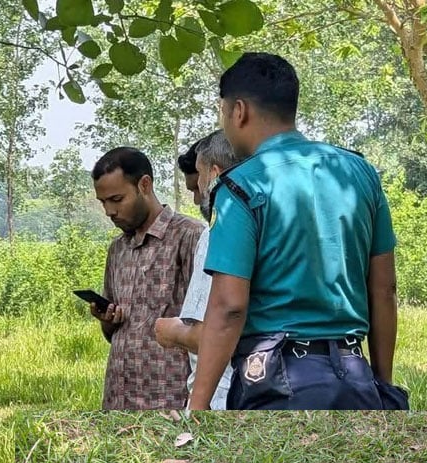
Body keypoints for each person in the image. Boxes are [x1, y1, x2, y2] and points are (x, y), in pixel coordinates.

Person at [191, 53, 406, 410]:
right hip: (354, 376)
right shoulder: (361, 173)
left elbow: (229, 306)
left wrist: (197, 407)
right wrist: (382, 386)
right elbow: (384, 289)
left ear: (238, 111)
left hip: (274, 382)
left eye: (222, 111)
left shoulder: (241, 186)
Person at [89, 147, 203, 410]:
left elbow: (209, 327)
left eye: (116, 199)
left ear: (144, 185)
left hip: (170, 400)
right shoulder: (118, 249)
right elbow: (114, 334)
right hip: (118, 399)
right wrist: (107, 321)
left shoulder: (191, 237)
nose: (109, 211)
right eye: (103, 202)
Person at [154, 131, 236, 409]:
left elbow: (215, 334)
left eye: (199, 178)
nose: (196, 198)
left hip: (223, 392)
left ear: (214, 174)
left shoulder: (217, 233)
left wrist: (173, 332)